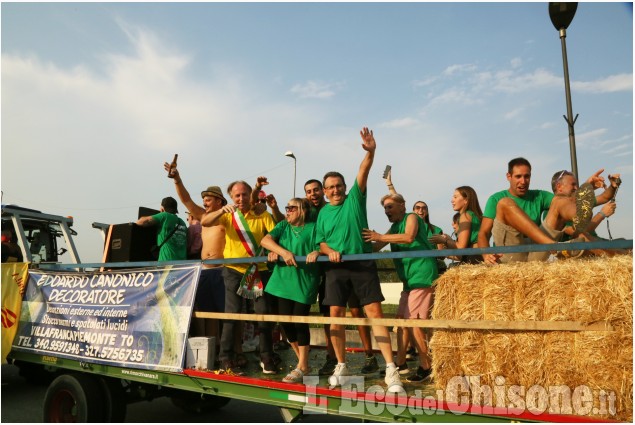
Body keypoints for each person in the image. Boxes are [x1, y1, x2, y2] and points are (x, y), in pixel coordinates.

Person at [316, 127, 404, 393]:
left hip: (362, 263)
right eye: (330, 187)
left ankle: (391, 369)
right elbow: (320, 241)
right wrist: (328, 250)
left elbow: (363, 170)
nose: (335, 190)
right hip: (336, 267)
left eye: (338, 186)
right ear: (324, 191)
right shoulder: (322, 213)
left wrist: (371, 152)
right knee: (335, 317)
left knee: (375, 314)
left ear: (345, 187)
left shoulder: (355, 198)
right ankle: (341, 365)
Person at [202, 180, 278, 374]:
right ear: (232, 198)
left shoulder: (261, 214)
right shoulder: (228, 215)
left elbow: (276, 233)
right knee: (232, 314)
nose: (241, 198)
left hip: (258, 269)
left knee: (263, 314)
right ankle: (226, 358)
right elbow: (205, 221)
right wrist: (221, 211)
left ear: (250, 195)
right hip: (233, 270)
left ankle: (266, 356)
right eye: (237, 195)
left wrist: (276, 250)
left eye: (244, 194)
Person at [305, 178, 379, 377]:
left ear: (322, 192)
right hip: (330, 269)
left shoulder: (340, 203)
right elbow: (317, 240)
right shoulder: (311, 211)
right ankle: (334, 359)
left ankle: (370, 355)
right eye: (308, 191)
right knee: (330, 315)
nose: (313, 194)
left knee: (356, 311)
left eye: (316, 190)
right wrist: (318, 251)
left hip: (351, 264)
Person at [363, 193, 438, 383]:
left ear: (402, 206)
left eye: (390, 207)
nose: (387, 211)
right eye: (385, 208)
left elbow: (409, 236)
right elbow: (375, 247)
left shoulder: (411, 217)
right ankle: (401, 363)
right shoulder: (394, 227)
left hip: (421, 275)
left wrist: (380, 236)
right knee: (401, 322)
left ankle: (426, 366)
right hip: (409, 280)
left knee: (414, 322)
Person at [165, 162, 229, 342]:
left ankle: (226, 350)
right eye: (204, 200)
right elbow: (186, 200)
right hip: (203, 270)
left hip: (222, 269)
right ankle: (211, 347)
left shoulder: (227, 217)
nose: (204, 203)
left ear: (219, 201)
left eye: (208, 200)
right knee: (206, 312)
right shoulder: (203, 216)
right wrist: (177, 179)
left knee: (224, 313)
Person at [260, 198, 320, 383]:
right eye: (287, 208)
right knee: (286, 322)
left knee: (299, 320)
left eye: (291, 208)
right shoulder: (283, 225)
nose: (287, 211)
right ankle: (303, 364)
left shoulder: (314, 227)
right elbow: (265, 240)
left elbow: (323, 246)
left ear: (303, 210)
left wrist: (317, 252)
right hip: (282, 281)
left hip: (304, 280)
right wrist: (281, 252)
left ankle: (302, 365)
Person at [385, 169, 447, 275]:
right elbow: (398, 203)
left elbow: (442, 255)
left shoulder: (435, 230)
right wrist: (389, 184)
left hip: (426, 269)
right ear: (413, 211)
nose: (421, 210)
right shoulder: (408, 221)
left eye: (424, 208)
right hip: (408, 269)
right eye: (417, 208)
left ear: (427, 212)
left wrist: (430, 249)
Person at [429, 186, 483, 265]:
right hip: (478, 257)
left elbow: (461, 247)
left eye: (455, 197)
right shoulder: (476, 216)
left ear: (466, 200)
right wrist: (449, 240)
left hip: (474, 259)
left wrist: (444, 241)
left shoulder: (465, 216)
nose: (452, 200)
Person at [136, 197, 187, 261]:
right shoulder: (183, 223)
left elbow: (141, 222)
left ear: (162, 209)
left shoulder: (164, 216)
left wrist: (160, 214)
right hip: (183, 264)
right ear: (176, 210)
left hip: (167, 262)